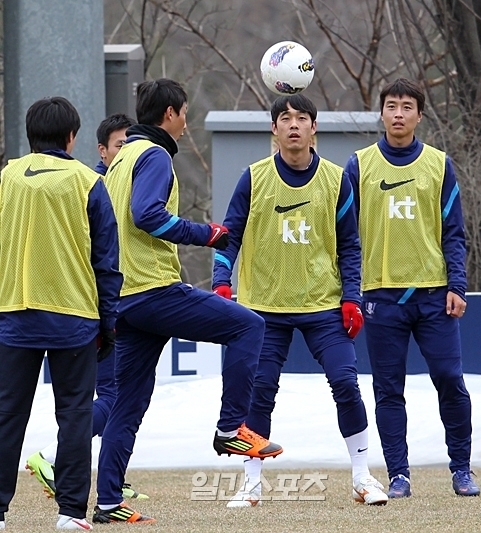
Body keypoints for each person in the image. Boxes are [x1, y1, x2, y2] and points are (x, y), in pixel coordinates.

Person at [92, 78, 283, 525]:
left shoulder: (120, 160)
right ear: (172, 114)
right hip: (153, 290)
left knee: (127, 404)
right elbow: (147, 215)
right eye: (184, 113)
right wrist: (206, 233)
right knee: (249, 326)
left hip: (123, 298)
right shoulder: (155, 154)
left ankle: (106, 504)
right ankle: (230, 429)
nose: (186, 123)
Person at [212, 93, 388, 507]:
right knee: (259, 391)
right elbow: (228, 235)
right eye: (285, 118)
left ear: (314, 129)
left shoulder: (335, 179)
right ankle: (251, 484)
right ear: (273, 130)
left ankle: (362, 477)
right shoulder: (253, 178)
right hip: (263, 308)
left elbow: (349, 245)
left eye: (302, 118)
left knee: (346, 383)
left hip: (323, 306)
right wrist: (222, 281)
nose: (294, 124)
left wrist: (352, 297)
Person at [345, 78, 480, 498]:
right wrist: (349, 289)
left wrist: (457, 284)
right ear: (381, 113)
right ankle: (399, 474)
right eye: (391, 106)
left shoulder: (440, 164)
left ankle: (461, 469)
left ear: (419, 115)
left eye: (407, 106)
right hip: (380, 296)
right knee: (388, 389)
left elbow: (454, 233)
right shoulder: (359, 165)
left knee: (449, 379)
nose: (398, 113)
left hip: (434, 294)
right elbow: (345, 235)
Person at [0, 97, 123, 530]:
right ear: (72, 137)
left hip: (15, 312)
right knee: (73, 415)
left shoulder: (6, 178)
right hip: (74, 316)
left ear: (29, 134)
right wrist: (108, 323)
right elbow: (106, 261)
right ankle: (70, 513)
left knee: (6, 415)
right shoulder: (88, 181)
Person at [25, 113, 149, 502]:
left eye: (131, 145)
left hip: (104, 305)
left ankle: (111, 480)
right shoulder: (91, 185)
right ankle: (55, 462)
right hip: (93, 310)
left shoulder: (113, 180)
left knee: (118, 397)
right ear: (100, 149)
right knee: (109, 397)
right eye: (119, 145)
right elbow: (104, 257)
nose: (126, 152)